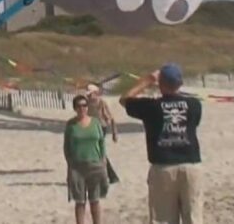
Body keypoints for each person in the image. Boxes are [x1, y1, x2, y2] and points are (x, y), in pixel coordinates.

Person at [120, 64, 203, 224]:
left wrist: (147, 81)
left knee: (163, 218)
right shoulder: (194, 104)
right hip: (191, 164)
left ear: (161, 83)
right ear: (180, 83)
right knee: (193, 217)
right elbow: (194, 123)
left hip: (163, 166)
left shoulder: (152, 106)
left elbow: (125, 99)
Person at [64, 93, 109, 224]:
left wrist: (103, 159)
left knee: (95, 200)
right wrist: (70, 163)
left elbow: (101, 142)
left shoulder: (95, 122)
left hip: (95, 165)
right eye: (79, 106)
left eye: (84, 105)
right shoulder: (71, 125)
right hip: (77, 167)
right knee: (80, 201)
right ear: (74, 108)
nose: (82, 108)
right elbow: (66, 146)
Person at [86, 84, 120, 184]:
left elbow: (111, 118)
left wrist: (115, 133)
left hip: (101, 128)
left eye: (90, 94)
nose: (89, 96)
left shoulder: (101, 103)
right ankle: (109, 176)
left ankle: (109, 176)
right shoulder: (86, 104)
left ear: (96, 93)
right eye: (88, 95)